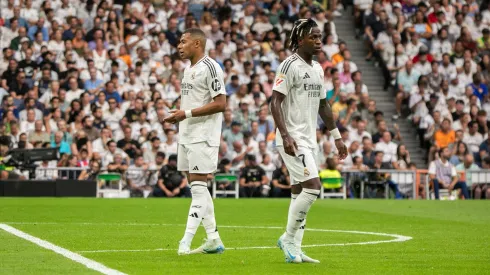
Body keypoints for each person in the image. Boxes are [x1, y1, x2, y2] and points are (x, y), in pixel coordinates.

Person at [269, 18, 347, 264]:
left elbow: (324, 105)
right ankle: (288, 238)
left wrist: (337, 137)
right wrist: (284, 134)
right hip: (292, 139)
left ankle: (296, 250)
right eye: (313, 37)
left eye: (320, 36)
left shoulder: (318, 69)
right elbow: (275, 101)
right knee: (313, 187)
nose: (318, 41)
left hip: (309, 140)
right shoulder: (289, 65)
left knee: (299, 191)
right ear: (300, 39)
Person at [163, 28, 226, 255]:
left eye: (183, 42)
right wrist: (179, 114)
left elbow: (221, 104)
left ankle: (185, 242)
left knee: (198, 189)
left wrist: (186, 114)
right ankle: (213, 238)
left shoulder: (211, 67)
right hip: (187, 134)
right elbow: (193, 103)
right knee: (198, 188)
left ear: (197, 44)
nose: (179, 46)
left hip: (203, 135)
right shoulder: (189, 70)